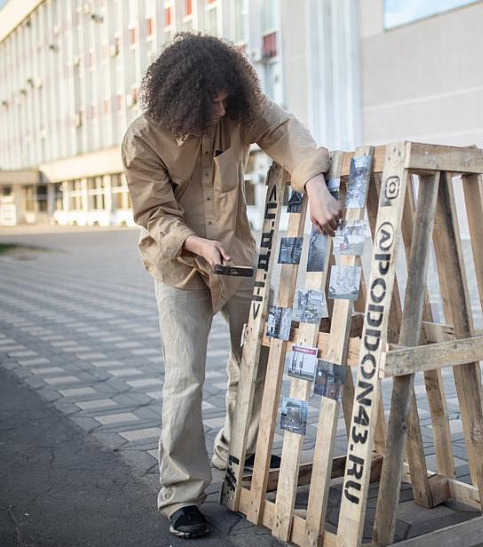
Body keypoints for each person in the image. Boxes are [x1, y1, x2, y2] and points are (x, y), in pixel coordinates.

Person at [121, 33, 340, 539]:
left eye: (227, 97)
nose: (222, 109)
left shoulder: (240, 108)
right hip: (179, 267)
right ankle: (181, 495)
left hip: (238, 261)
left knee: (257, 364)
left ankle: (240, 454)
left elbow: (285, 132)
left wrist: (313, 183)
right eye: (211, 101)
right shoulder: (142, 138)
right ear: (182, 98)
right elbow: (153, 212)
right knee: (185, 380)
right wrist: (195, 244)